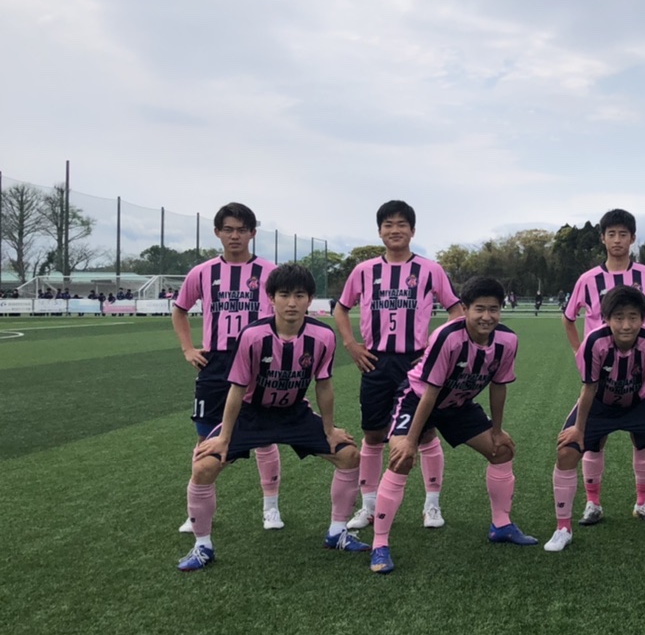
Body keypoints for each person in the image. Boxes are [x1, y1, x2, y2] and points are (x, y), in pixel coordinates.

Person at [176, 264, 368, 571]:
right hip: (252, 414)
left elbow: (324, 385)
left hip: (294, 413)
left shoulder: (323, 336)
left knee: (348, 456)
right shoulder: (252, 335)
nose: (291, 303)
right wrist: (224, 437)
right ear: (270, 298)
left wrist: (329, 429)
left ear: (310, 299)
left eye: (299, 295)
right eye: (284, 295)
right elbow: (237, 389)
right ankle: (202, 547)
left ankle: (337, 532)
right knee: (203, 466)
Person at [369, 277, 537, 573]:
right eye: (479, 309)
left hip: (457, 404)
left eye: (494, 309)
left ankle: (501, 525)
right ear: (465, 309)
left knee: (502, 451)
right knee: (401, 458)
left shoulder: (507, 341)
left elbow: (499, 386)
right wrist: (410, 441)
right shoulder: (448, 336)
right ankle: (379, 544)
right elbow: (430, 391)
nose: (487, 317)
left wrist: (497, 430)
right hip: (417, 399)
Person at [334, 200, 463, 532]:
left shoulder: (430, 270)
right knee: (373, 433)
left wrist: (434, 349)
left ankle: (432, 505)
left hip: (415, 362)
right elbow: (341, 308)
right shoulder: (364, 271)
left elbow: (456, 310)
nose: (395, 230)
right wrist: (351, 345)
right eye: (388, 225)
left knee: (425, 432)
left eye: (401, 224)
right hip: (375, 361)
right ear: (379, 231)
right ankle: (369, 506)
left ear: (412, 231)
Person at [545, 285, 645, 553]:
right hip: (599, 405)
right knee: (567, 451)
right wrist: (579, 429)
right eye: (619, 317)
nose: (626, 325)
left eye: (633, 317)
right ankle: (563, 528)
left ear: (643, 318)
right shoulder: (594, 341)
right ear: (606, 318)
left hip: (638, 404)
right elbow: (588, 388)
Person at [172, 202, 283, 533]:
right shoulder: (202, 272)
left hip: (259, 360)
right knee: (206, 436)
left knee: (264, 436)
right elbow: (179, 309)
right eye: (228, 230)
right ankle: (197, 512)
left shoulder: (270, 272)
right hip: (216, 361)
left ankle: (271, 508)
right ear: (217, 232)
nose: (235, 236)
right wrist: (188, 348)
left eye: (242, 230)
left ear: (253, 233)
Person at [562, 209, 645, 527]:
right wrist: (579, 352)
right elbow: (569, 318)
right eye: (611, 234)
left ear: (632, 238)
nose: (617, 240)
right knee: (593, 439)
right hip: (601, 375)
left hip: (639, 375)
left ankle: (643, 503)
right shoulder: (588, 279)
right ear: (602, 238)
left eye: (623, 234)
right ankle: (593, 503)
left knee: (643, 438)